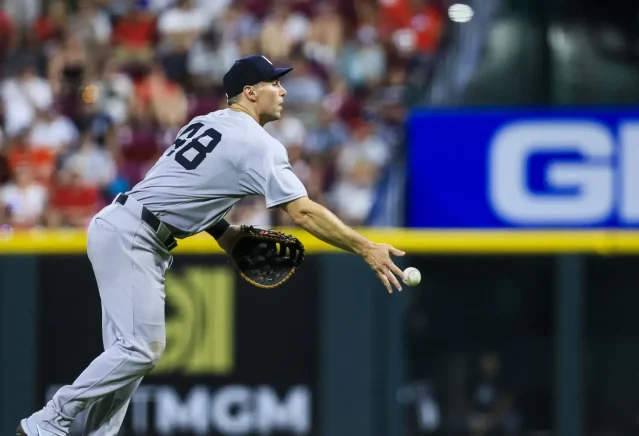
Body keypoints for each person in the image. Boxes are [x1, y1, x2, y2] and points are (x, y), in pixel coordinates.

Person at [17, 54, 407, 436]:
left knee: (125, 360)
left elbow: (183, 190)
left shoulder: (208, 122)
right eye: (275, 83)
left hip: (125, 227)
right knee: (141, 349)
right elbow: (303, 213)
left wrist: (224, 233)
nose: (283, 91)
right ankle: (48, 421)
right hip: (135, 237)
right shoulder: (259, 144)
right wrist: (365, 246)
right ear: (250, 93)